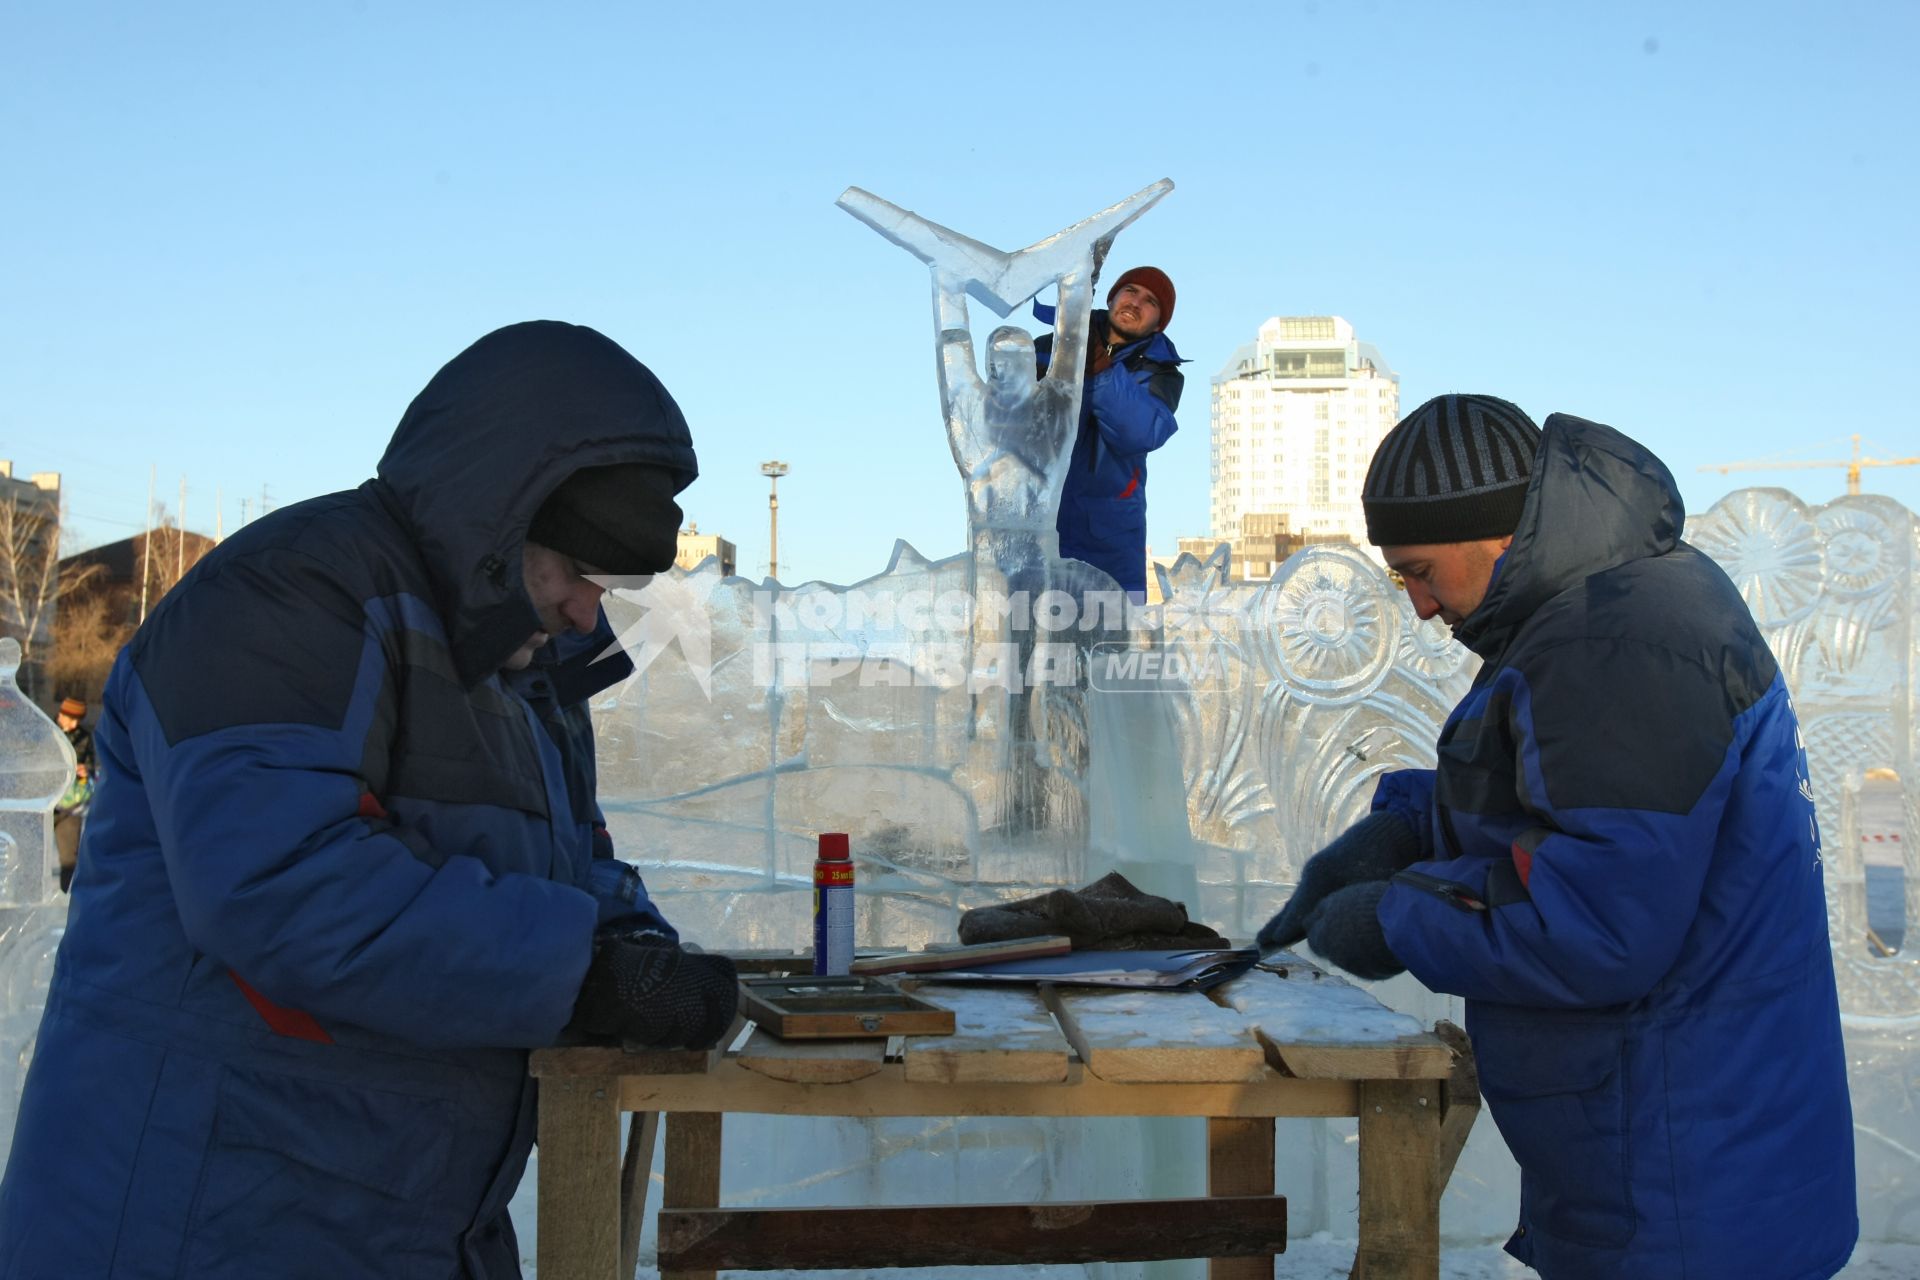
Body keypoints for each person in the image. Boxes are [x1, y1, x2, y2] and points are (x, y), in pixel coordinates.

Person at [0, 321, 741, 1279]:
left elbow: (573, 869)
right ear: (500, 523)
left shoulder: (519, 682)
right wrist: (584, 975)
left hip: (400, 1221)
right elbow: (283, 888)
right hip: (201, 1219)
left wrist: (638, 945)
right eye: (580, 573)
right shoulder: (289, 598)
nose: (586, 614)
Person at [1258, 394, 1857, 1278]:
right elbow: (1581, 807)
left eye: (1420, 571)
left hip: (1681, 1178)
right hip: (1690, 1144)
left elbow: (1597, 930)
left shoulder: (1617, 644)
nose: (1419, 607)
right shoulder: (1606, 604)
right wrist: (1410, 831)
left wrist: (1399, 917)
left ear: (1496, 535)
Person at [1035, 265, 1184, 600]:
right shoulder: (1049, 346)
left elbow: (1140, 431)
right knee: (1020, 644)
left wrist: (1099, 367)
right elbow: (1006, 416)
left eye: (1151, 302)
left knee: (1113, 649)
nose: (1135, 302)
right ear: (1112, 296)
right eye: (1130, 290)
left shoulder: (1161, 374)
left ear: (1159, 322)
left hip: (1111, 543)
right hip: (1038, 530)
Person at [52, 695, 94, 892]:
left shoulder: (84, 737)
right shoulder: (47, 732)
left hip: (70, 804)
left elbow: (93, 767)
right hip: (47, 801)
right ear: (61, 714)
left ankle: (65, 897)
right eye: (70, 717)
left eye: (77, 719)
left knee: (70, 857)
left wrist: (86, 770)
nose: (74, 723)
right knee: (31, 852)